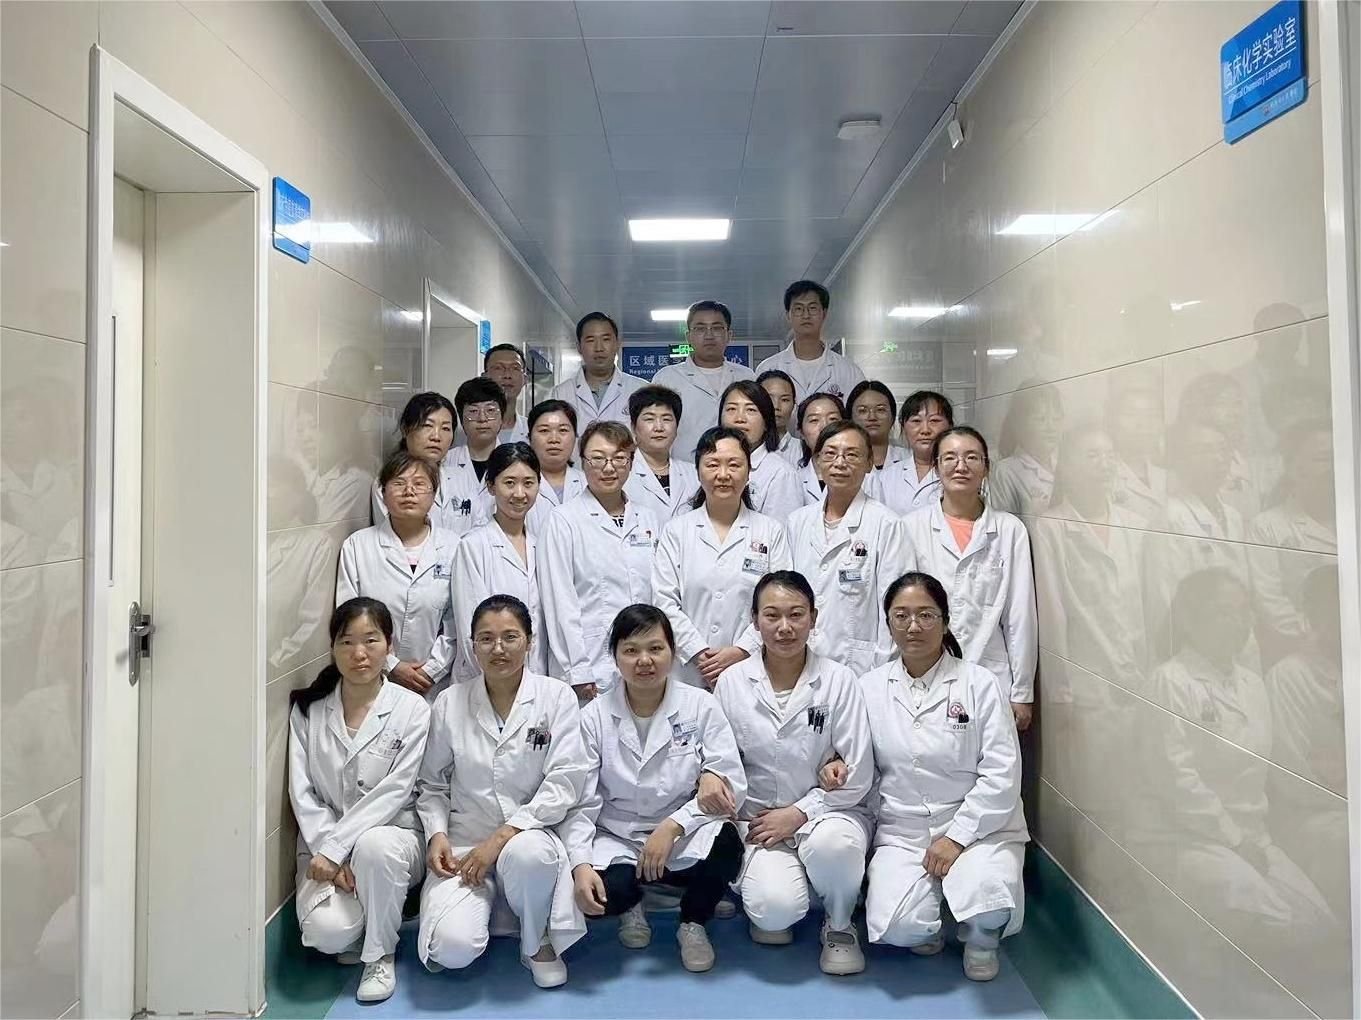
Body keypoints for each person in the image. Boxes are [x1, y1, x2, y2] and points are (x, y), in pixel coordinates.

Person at [848, 572, 1028, 981]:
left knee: (988, 899)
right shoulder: (869, 688)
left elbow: (1002, 774)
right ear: (889, 623)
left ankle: (981, 937)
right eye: (901, 616)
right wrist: (833, 764)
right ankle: (934, 914)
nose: (913, 626)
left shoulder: (980, 684)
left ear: (945, 621)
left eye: (926, 615)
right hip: (904, 831)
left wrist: (956, 837)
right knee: (899, 929)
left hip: (981, 828)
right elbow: (856, 759)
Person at [562, 605, 746, 973]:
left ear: (673, 653)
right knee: (601, 899)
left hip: (680, 834)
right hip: (618, 837)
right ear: (614, 657)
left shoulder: (700, 705)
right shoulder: (593, 717)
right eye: (631, 650)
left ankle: (692, 922)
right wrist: (580, 865)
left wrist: (674, 825)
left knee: (727, 845)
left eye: (655, 649)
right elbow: (580, 801)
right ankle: (631, 904)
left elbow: (732, 785)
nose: (644, 660)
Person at [415, 596, 588, 988]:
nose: (498, 649)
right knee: (452, 950)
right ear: (473, 646)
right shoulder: (450, 702)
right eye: (486, 639)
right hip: (464, 845)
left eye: (510, 637)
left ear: (529, 641)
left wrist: (501, 837)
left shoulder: (556, 697)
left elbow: (565, 781)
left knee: (529, 855)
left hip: (527, 836)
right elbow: (432, 784)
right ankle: (497, 911)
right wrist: (436, 833)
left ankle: (535, 939)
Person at [713, 572, 873, 975]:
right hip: (760, 822)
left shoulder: (839, 681)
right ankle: (795, 887)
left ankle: (839, 923)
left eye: (796, 614)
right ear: (755, 621)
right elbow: (720, 762)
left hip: (828, 814)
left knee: (835, 847)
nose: (784, 627)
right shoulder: (732, 683)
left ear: (813, 618)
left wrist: (801, 812)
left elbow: (858, 771)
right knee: (774, 914)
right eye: (772, 615)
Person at [288, 598, 431, 1004]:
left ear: (389, 646)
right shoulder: (309, 709)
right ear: (332, 648)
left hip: (392, 837)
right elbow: (302, 791)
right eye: (346, 642)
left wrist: (338, 848)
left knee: (374, 845)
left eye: (371, 640)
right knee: (326, 935)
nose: (359, 653)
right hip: (322, 843)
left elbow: (395, 790)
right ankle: (368, 922)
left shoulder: (412, 709)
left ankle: (380, 954)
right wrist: (328, 851)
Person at [903, 428, 1037, 730]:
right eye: (950, 457)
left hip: (991, 674)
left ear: (986, 468)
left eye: (972, 458)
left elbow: (1019, 616)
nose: (960, 466)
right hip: (925, 671)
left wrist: (1022, 692)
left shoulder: (1009, 530)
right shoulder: (911, 527)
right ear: (936, 466)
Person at [653, 426, 793, 688]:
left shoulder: (770, 531)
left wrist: (741, 650)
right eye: (712, 464)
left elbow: (780, 602)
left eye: (734, 465)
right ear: (698, 472)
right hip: (688, 669)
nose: (723, 474)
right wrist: (698, 652)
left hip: (750, 667)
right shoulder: (676, 531)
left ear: (748, 472)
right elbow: (664, 602)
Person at [539, 422, 661, 700]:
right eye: (598, 458)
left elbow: (657, 593)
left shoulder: (648, 519)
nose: (608, 468)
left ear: (631, 462)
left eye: (619, 458)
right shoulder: (563, 521)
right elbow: (559, 601)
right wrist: (577, 670)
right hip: (589, 668)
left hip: (643, 664)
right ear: (583, 462)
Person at [788, 422, 911, 676]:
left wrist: (881, 674)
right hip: (799, 661)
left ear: (869, 463)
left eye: (852, 455)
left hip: (861, 668)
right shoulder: (797, 522)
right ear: (817, 461)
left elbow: (896, 607)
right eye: (830, 454)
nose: (840, 463)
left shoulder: (887, 524)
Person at [338, 451, 457, 699]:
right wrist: (390, 665)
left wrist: (433, 670)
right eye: (399, 483)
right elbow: (348, 616)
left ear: (434, 495)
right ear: (383, 492)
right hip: (374, 676)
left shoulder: (455, 547)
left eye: (419, 484)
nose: (409, 491)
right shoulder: (358, 546)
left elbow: (458, 621)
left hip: (435, 684)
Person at [451, 444, 548, 680]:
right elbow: (470, 627)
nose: (520, 493)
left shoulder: (542, 545)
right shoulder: (473, 546)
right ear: (491, 486)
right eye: (509, 483)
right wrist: (493, 682)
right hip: (484, 678)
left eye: (528, 483)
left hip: (535, 677)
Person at [652, 300, 755, 460]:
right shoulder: (667, 378)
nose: (709, 335)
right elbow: (655, 430)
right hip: (684, 469)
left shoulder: (747, 376)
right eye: (700, 328)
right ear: (688, 337)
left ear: (729, 335)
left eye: (717, 328)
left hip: (736, 467)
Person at [754, 281, 865, 405]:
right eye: (798, 309)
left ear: (824, 313)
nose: (806, 315)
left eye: (812, 308)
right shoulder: (767, 368)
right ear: (788, 315)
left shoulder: (849, 371)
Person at [369, 391, 464, 531]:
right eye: (427, 426)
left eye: (445, 428)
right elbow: (397, 535)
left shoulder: (462, 479)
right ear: (405, 429)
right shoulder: (387, 484)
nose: (436, 437)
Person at [719, 380, 803, 522]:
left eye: (750, 410)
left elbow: (780, 532)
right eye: (731, 409)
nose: (740, 418)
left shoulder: (781, 474)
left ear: (766, 423)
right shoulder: (709, 465)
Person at [548, 312, 643, 428]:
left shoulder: (640, 389)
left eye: (606, 339)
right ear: (579, 347)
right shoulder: (559, 394)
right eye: (590, 340)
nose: (599, 348)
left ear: (617, 344)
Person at [624, 384, 700, 521]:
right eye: (649, 419)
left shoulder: (694, 474)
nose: (659, 427)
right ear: (633, 427)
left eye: (666, 419)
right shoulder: (621, 472)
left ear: (677, 427)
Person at [879, 390, 951, 516]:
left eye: (934, 420)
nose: (925, 430)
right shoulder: (886, 477)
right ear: (903, 428)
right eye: (916, 421)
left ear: (950, 426)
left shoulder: (960, 473)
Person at [525, 399, 587, 534]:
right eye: (544, 430)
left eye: (563, 430)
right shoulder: (519, 486)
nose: (554, 439)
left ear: (575, 437)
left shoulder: (588, 484)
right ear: (530, 438)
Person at [793, 391, 847, 505]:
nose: (824, 427)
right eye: (814, 420)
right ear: (801, 432)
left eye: (833, 419)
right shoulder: (792, 480)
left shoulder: (865, 479)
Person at [478, 344, 532, 445]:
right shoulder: (465, 430)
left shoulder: (532, 430)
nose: (507, 375)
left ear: (525, 379)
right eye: (498, 368)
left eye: (515, 368)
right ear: (484, 378)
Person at [848, 380, 903, 472]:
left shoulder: (911, 458)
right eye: (863, 411)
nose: (872, 417)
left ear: (892, 417)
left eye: (880, 410)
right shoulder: (841, 462)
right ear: (850, 419)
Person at [758, 369, 801, 463]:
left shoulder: (803, 451)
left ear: (794, 404)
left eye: (785, 400)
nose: (776, 406)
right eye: (769, 398)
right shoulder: (740, 449)